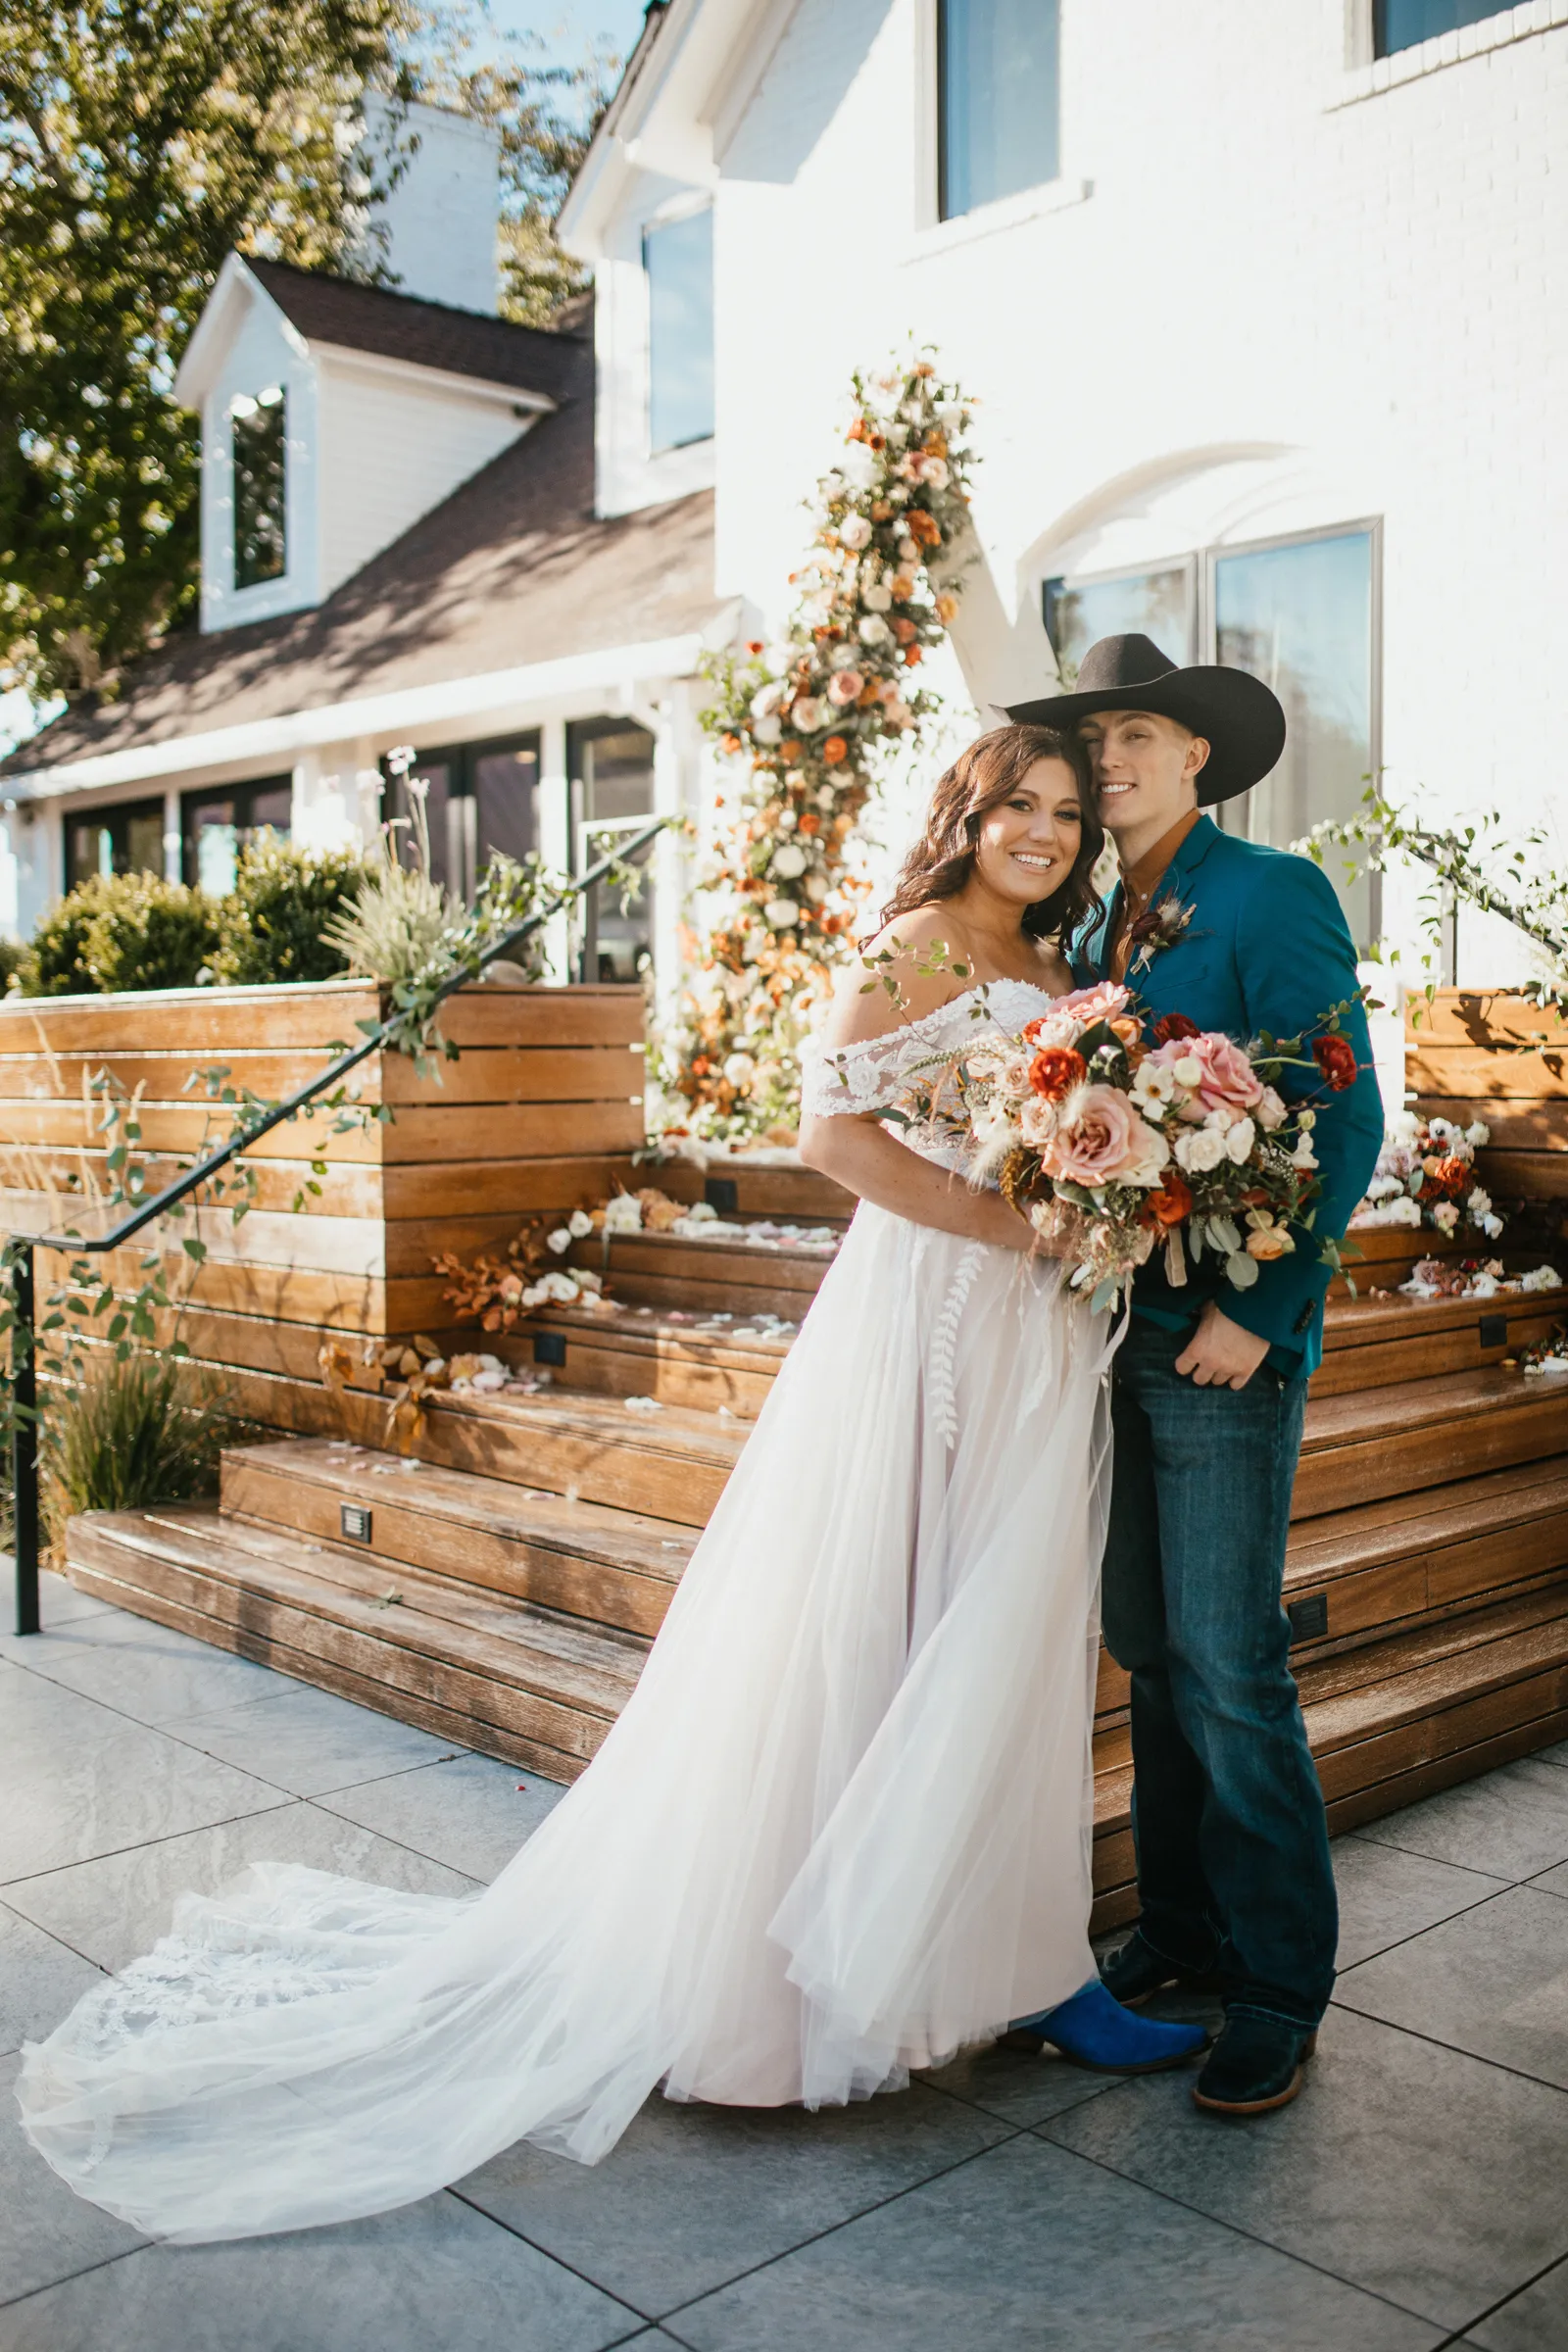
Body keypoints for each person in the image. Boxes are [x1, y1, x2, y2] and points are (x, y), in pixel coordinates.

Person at [18, 721, 1202, 2246]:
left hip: (1044, 1338)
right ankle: (824, 1983)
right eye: (1015, 805)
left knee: (1008, 1638)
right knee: (896, 1621)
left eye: (1062, 810)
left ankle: (1016, 1962)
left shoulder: (1061, 955)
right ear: (964, 816)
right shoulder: (914, 946)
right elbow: (828, 1133)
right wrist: (1010, 1227)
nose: (1041, 830)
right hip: (939, 1324)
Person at [1008, 635, 1385, 2117]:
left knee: (1231, 1664)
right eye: (1093, 739)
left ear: (1197, 760)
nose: (1108, 761)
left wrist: (1265, 1302)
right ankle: (1181, 1931)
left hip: (1223, 1344)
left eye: (1137, 738)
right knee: (1149, 1649)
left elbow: (1343, 1116)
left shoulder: (1269, 893)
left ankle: (1281, 1985)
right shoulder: (1094, 917)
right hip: (1104, 1335)